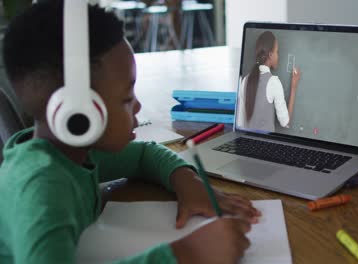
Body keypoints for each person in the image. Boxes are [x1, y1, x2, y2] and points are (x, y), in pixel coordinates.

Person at [0, 1, 260, 263]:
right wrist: (185, 254)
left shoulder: (73, 153)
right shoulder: (42, 189)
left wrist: (187, 182)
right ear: (78, 114)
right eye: (126, 98)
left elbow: (143, 155)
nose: (138, 106)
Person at [237, 31, 301, 131]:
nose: (278, 56)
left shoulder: (244, 81)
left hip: (246, 142)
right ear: (270, 55)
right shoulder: (273, 82)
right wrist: (293, 87)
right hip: (265, 144)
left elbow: (239, 123)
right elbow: (285, 122)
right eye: (277, 52)